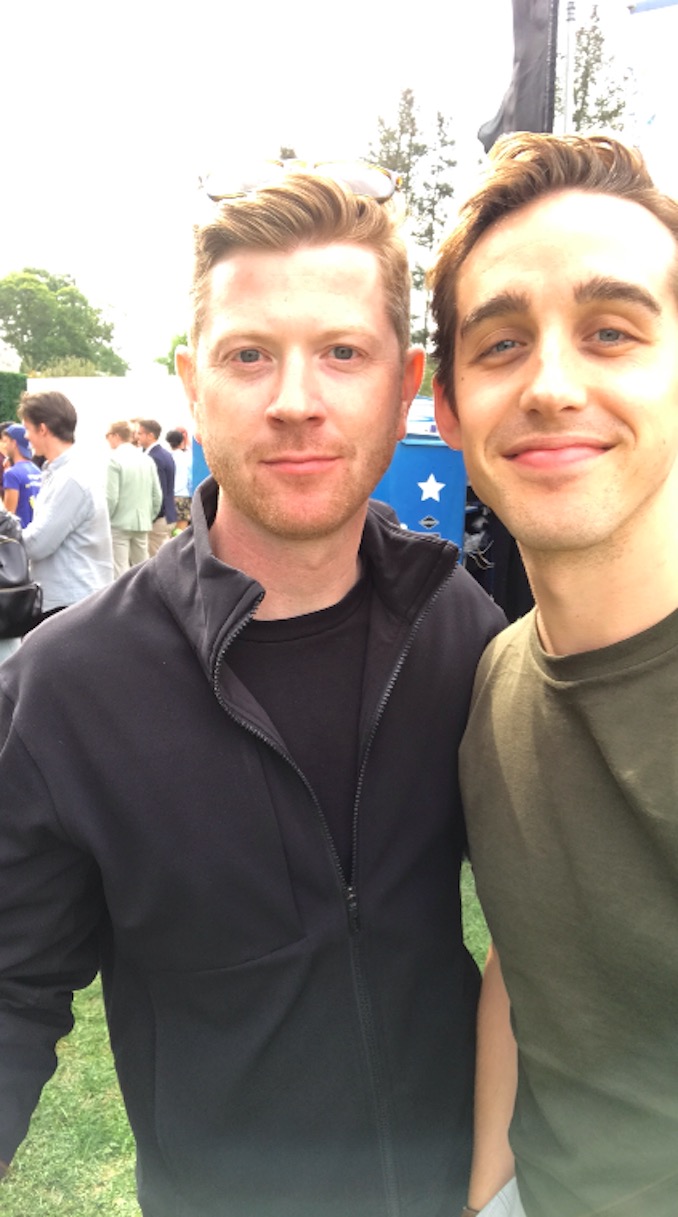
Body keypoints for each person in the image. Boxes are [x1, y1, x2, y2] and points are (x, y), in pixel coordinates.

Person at [0, 163, 504, 1217]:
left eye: (341, 353)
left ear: (404, 378)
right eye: (248, 355)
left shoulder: (463, 628)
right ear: (191, 379)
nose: (294, 401)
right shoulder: (63, 687)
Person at [430, 132, 678, 1217]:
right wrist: (491, 1187)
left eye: (611, 330)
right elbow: (526, 963)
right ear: (447, 413)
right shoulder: (496, 682)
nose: (552, 384)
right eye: (500, 345)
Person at [17, 390, 113, 621]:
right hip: (70, 598)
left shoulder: (71, 478)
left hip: (71, 601)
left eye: (28, 428)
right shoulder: (61, 471)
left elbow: (39, 543)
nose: (26, 437)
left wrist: (9, 539)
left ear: (43, 428)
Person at [106, 420, 163, 577]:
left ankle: (122, 601)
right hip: (142, 521)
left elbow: (111, 498)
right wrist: (149, 516)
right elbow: (157, 495)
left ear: (115, 435)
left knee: (119, 570)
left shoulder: (113, 460)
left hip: (118, 522)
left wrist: (107, 519)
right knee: (142, 569)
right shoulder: (147, 459)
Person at [135, 418, 177, 553]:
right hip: (168, 514)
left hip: (159, 519)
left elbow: (159, 491)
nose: (137, 437)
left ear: (151, 435)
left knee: (155, 561)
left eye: (140, 433)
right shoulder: (166, 454)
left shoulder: (154, 458)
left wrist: (152, 517)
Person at [1, 424, 42, 527]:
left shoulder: (12, 474)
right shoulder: (36, 470)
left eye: (6, 441)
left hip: (20, 536)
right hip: (35, 531)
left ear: (14, 443)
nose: (4, 446)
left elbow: (8, 517)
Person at [165, 426, 192, 531]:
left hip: (169, 497)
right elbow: (190, 478)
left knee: (169, 531)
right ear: (182, 441)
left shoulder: (167, 457)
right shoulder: (187, 457)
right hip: (183, 496)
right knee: (180, 531)